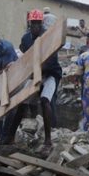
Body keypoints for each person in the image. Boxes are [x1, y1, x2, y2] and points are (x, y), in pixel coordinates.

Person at [18, 9, 62, 150]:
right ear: (29, 23)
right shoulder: (25, 39)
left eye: (38, 23)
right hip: (34, 74)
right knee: (21, 101)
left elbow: (51, 60)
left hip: (50, 74)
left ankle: (48, 140)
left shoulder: (48, 37)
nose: (36, 26)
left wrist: (37, 71)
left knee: (45, 100)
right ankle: (9, 135)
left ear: (41, 23)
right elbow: (26, 56)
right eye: (33, 23)